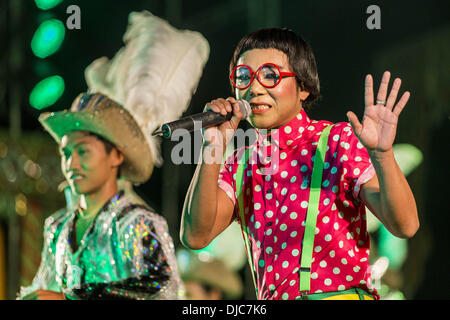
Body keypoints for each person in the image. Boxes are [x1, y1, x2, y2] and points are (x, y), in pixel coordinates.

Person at [180, 28, 419, 300]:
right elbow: (195, 236)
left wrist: (383, 154)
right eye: (244, 77)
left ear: (303, 87)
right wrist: (213, 148)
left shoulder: (335, 142)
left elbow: (405, 225)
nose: (255, 88)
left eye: (270, 75)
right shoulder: (240, 163)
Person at [18, 92, 183, 300]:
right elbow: (44, 286)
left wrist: (73, 298)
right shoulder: (57, 227)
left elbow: (163, 292)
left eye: (83, 152)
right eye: (66, 154)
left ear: (115, 156)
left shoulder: (137, 223)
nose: (71, 164)